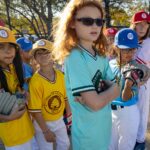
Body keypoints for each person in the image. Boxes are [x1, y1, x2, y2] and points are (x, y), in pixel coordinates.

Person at [52, 0, 120, 150]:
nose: (95, 25)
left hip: (104, 129)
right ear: (72, 23)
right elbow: (96, 103)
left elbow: (118, 88)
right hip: (87, 137)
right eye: (87, 21)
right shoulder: (75, 57)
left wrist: (100, 95)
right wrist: (106, 92)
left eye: (99, 21)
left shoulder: (101, 55)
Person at [108, 28, 149, 150]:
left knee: (125, 147)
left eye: (133, 49)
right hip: (110, 111)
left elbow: (126, 96)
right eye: (126, 49)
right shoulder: (109, 64)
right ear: (116, 47)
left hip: (128, 112)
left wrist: (135, 79)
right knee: (109, 146)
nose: (130, 53)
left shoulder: (135, 67)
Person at [28, 39, 70, 150]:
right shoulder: (35, 81)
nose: (43, 56)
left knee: (65, 144)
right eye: (39, 53)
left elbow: (65, 98)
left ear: (53, 55)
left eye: (47, 52)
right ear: (35, 58)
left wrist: (69, 115)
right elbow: (35, 111)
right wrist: (45, 131)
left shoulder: (60, 75)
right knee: (46, 148)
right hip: (43, 123)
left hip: (59, 119)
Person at [0, 26, 34, 150]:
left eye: (10, 47)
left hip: (28, 130)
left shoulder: (15, 68)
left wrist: (24, 94)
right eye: (1, 47)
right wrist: (7, 117)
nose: (8, 51)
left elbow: (18, 92)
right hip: (13, 137)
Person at [130, 10, 150, 150]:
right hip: (126, 81)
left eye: (146, 24)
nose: (142, 27)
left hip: (143, 82)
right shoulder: (128, 40)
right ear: (133, 25)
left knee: (141, 111)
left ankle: (140, 141)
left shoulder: (149, 42)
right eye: (139, 24)